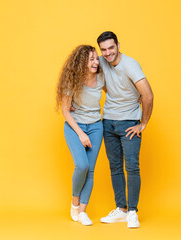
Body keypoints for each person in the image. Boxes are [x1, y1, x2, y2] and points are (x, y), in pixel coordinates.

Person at [97, 31, 154, 228]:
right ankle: (120, 209)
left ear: (118, 45)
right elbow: (88, 78)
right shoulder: (101, 61)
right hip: (108, 121)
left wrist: (142, 123)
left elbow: (148, 95)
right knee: (115, 167)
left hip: (129, 122)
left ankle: (132, 212)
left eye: (111, 48)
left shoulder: (130, 64)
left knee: (131, 166)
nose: (107, 53)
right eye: (103, 50)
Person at [56, 45, 104, 226]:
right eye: (91, 59)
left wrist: (134, 96)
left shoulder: (101, 77)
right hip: (74, 126)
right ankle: (74, 200)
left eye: (96, 59)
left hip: (96, 127)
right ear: (81, 62)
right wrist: (81, 134)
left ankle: (82, 212)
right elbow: (65, 111)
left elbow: (114, 90)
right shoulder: (72, 80)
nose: (95, 62)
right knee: (81, 165)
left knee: (90, 170)